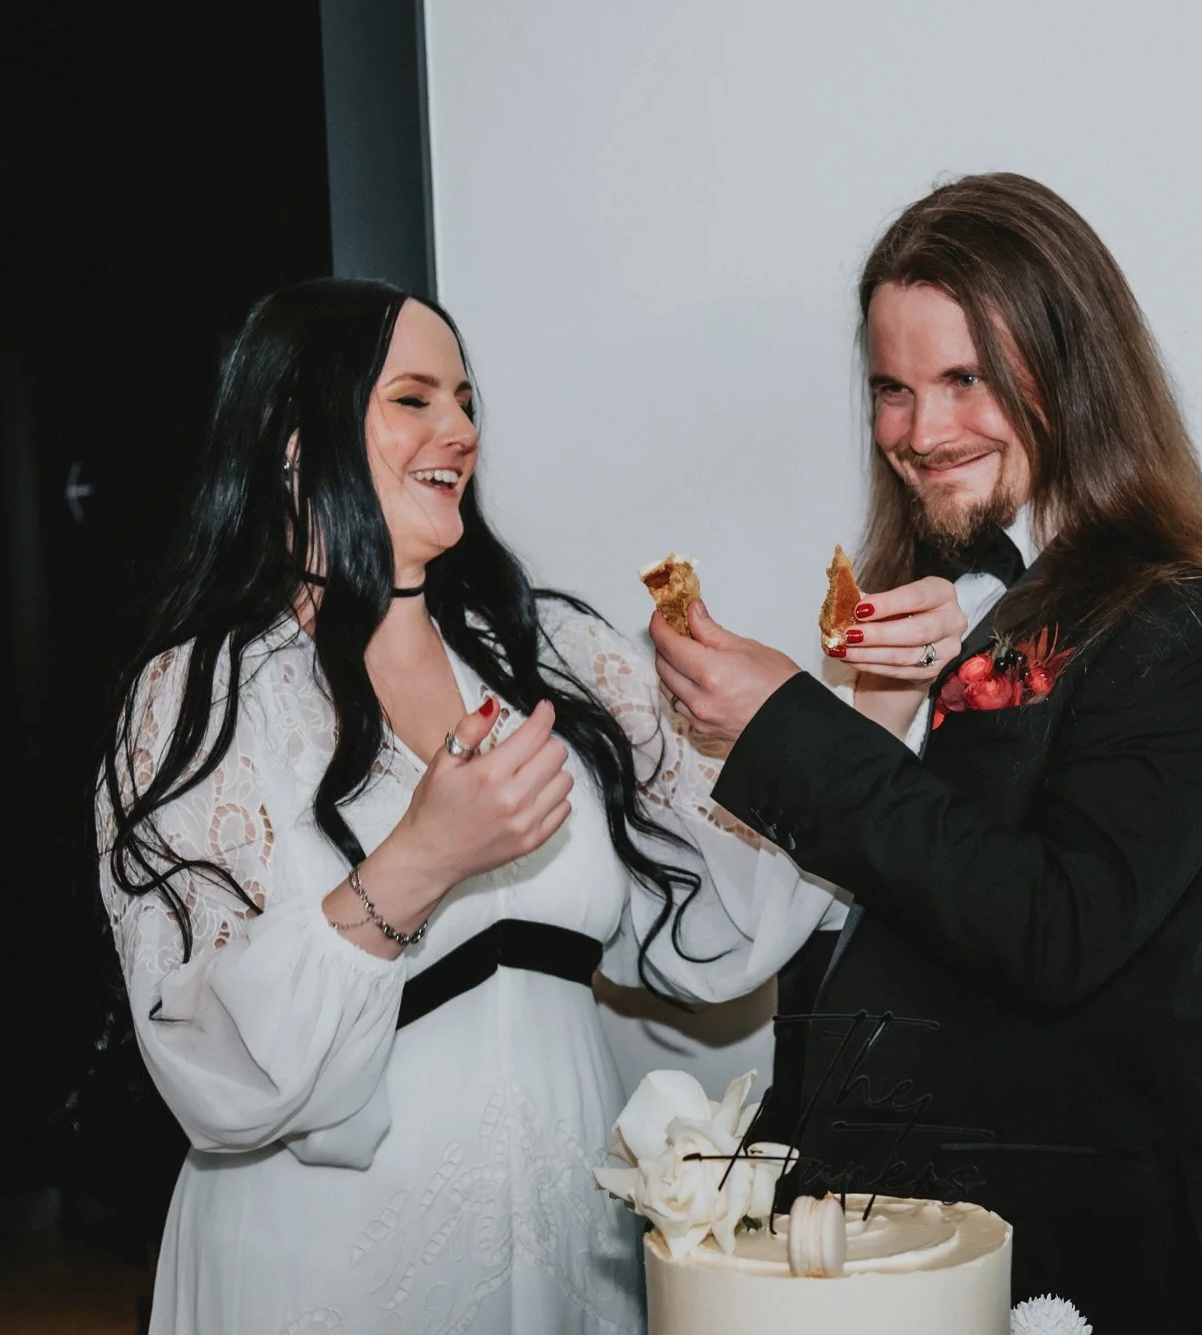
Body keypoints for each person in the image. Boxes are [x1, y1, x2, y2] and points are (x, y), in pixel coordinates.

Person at [96, 278, 831, 1333]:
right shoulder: (203, 697)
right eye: (414, 399)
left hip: (569, 1239)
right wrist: (419, 860)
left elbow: (714, 926)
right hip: (325, 1266)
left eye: (467, 400)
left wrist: (864, 707)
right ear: (296, 442)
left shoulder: (556, 657)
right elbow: (211, 1068)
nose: (460, 430)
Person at [652, 173, 1202, 1333]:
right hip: (852, 1260)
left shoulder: (1188, 622)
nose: (919, 432)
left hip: (1055, 1260)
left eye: (964, 379)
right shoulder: (923, 616)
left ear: (1074, 368)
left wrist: (796, 724)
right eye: (891, 389)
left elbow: (1053, 933)